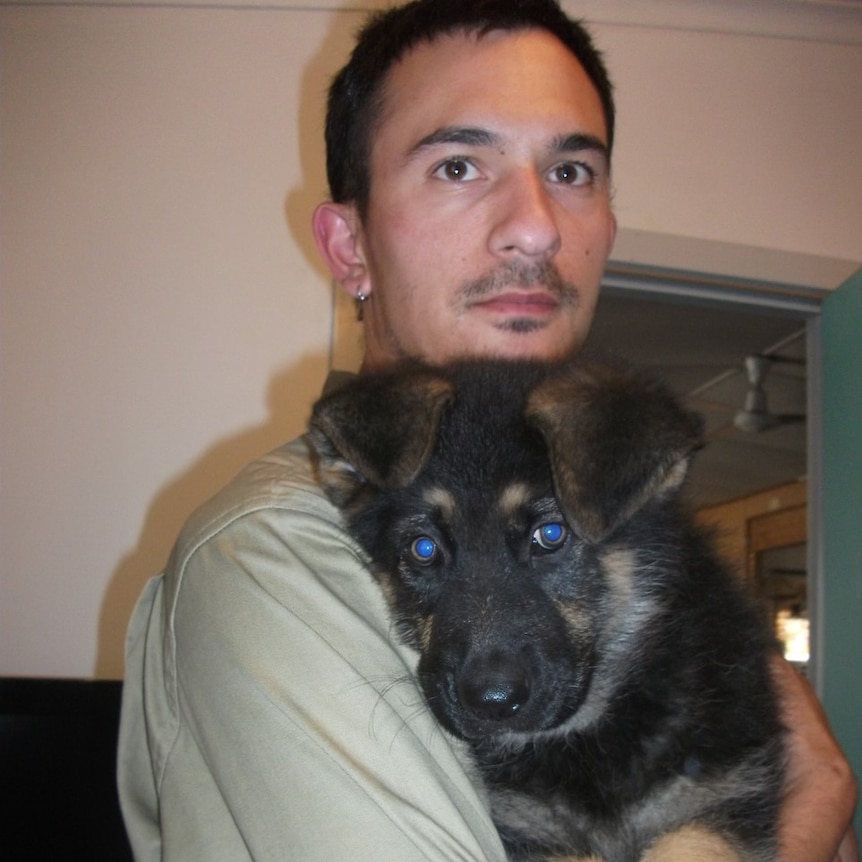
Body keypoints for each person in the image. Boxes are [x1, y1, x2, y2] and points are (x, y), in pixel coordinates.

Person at [117, 1, 857, 859]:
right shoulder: (272, 552)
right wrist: (813, 815)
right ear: (349, 244)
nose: (536, 224)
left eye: (572, 172)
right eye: (460, 166)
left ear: (608, 225)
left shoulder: (633, 530)